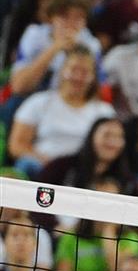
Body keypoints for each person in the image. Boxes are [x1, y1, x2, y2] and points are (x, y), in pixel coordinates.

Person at [7, 44, 115, 177]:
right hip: (42, 167)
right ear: (63, 70)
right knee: (26, 165)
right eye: (73, 70)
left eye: (85, 72)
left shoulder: (104, 111)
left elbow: (112, 149)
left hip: (83, 172)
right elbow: (16, 145)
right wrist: (50, 164)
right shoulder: (38, 102)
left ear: (93, 77)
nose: (78, 77)